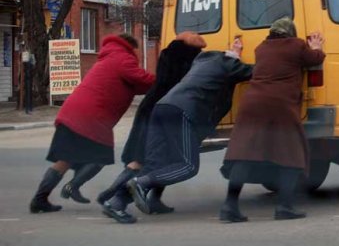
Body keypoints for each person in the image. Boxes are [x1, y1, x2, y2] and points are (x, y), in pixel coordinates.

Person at [102, 38, 253, 224]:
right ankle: (140, 184)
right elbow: (254, 71)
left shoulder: (202, 62)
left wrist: (232, 54)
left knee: (154, 164)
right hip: (182, 111)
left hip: (162, 107)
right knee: (187, 166)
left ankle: (115, 203)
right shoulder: (228, 64)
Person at [29, 34, 155, 213]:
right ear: (130, 46)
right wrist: (166, 80)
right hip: (91, 116)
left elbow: (137, 85)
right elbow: (143, 79)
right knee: (99, 157)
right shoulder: (122, 57)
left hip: (73, 112)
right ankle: (72, 186)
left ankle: (39, 199)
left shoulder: (110, 57)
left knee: (64, 160)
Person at [219, 17, 325, 222]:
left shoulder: (261, 48)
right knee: (292, 155)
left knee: (244, 154)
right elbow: (315, 59)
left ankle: (229, 206)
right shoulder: (296, 45)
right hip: (280, 105)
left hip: (251, 104)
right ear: (290, 32)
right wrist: (317, 47)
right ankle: (285, 206)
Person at [96, 31, 207, 213]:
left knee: (149, 157)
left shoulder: (166, 53)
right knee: (151, 159)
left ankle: (146, 199)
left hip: (150, 105)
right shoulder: (189, 58)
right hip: (165, 108)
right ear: (193, 47)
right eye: (200, 47)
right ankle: (116, 196)